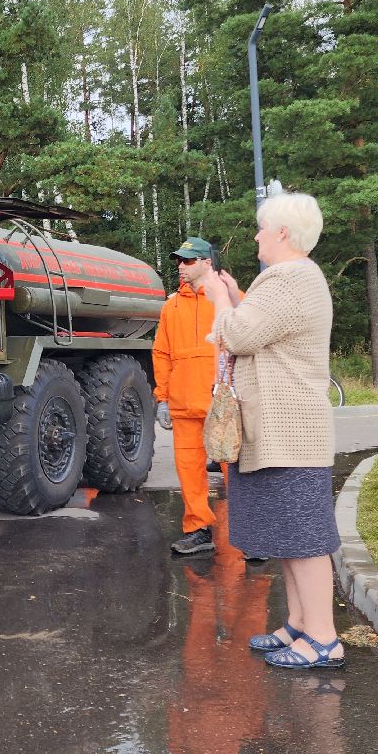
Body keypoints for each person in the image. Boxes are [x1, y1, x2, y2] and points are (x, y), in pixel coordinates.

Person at [202, 192, 344, 669]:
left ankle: (324, 638)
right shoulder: (290, 280)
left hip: (292, 434)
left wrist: (221, 299)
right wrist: (239, 299)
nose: (257, 236)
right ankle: (301, 624)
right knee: (289, 537)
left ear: (282, 233)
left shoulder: (289, 277)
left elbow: (238, 335)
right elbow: (262, 331)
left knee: (304, 540)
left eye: (262, 228)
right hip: (286, 431)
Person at [154, 237, 228, 556]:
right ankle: (198, 530)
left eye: (187, 260)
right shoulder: (171, 306)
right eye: (178, 261)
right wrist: (162, 398)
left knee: (235, 469)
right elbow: (162, 353)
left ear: (206, 263)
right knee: (189, 470)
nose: (180, 266)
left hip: (223, 405)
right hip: (184, 405)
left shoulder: (228, 298)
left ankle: (253, 533)